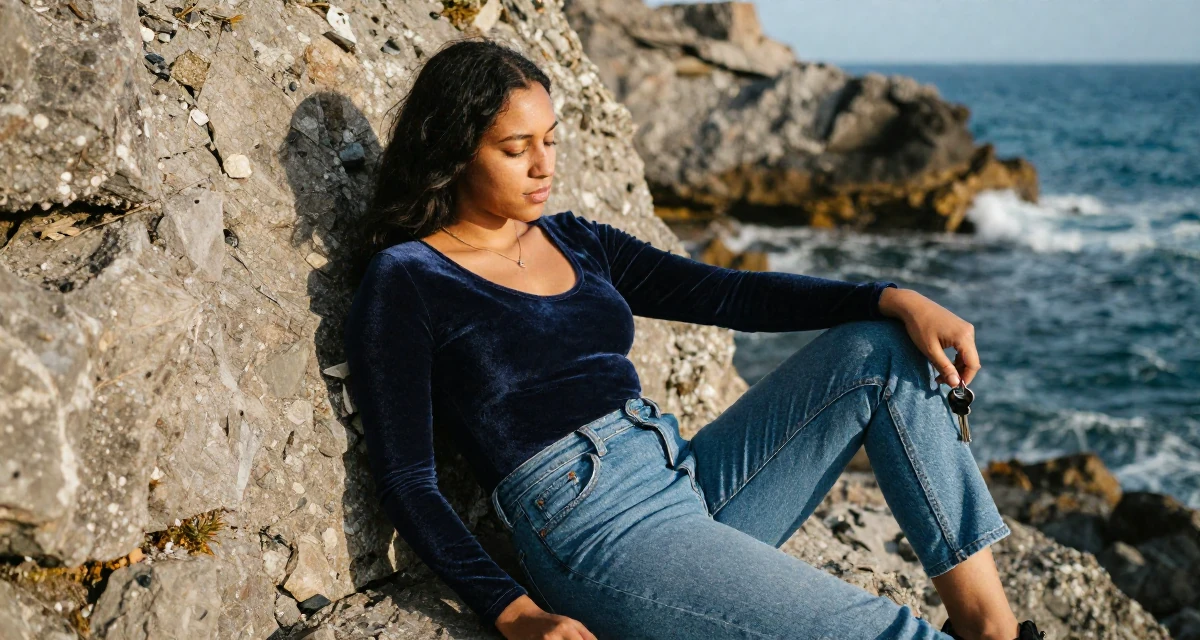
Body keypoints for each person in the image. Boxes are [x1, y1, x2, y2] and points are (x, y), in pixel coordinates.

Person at [342, 37, 1046, 640]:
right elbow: (407, 481)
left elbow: (728, 293)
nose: (543, 166)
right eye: (515, 148)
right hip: (595, 530)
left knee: (881, 350)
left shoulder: (576, 240)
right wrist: (514, 612)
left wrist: (890, 296)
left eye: (550, 140)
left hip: (683, 477)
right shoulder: (408, 278)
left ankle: (990, 627)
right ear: (455, 152)